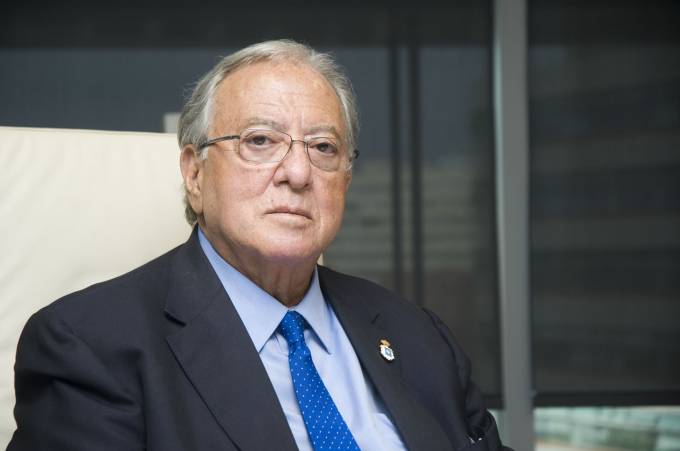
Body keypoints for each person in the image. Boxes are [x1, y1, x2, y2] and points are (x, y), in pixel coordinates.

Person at [8, 40, 510, 451]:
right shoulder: (90, 347)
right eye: (260, 141)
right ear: (195, 173)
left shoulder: (419, 337)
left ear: (345, 180)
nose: (298, 173)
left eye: (323, 148)